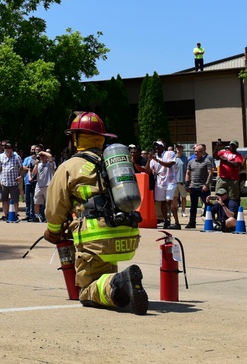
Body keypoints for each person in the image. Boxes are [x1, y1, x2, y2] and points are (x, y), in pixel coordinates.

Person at [44, 112, 146, 314]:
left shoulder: (70, 166)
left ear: (75, 138)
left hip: (96, 238)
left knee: (87, 290)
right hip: (127, 234)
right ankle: (118, 284)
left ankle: (120, 281)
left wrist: (53, 232)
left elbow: (54, 208)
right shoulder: (113, 163)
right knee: (103, 274)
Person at [148, 140, 178, 229]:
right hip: (160, 182)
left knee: (169, 200)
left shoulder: (170, 153)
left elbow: (169, 165)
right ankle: (166, 221)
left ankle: (177, 222)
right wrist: (149, 160)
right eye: (155, 147)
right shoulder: (153, 158)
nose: (157, 148)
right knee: (162, 202)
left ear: (163, 147)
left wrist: (156, 160)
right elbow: (148, 171)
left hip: (170, 181)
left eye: (159, 146)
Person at [184, 143, 215, 229]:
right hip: (193, 187)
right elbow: (187, 173)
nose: (196, 153)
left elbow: (210, 174)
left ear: (202, 152)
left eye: (198, 152)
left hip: (203, 187)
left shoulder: (207, 162)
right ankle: (192, 222)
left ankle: (208, 220)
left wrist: (206, 185)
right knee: (193, 206)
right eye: (195, 151)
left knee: (207, 204)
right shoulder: (191, 162)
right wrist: (187, 185)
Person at [0, 142, 24, 222]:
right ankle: (5, 215)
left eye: (9, 148)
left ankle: (15, 214)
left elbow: (21, 168)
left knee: (15, 199)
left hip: (13, 182)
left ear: (11, 149)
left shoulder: (16, 157)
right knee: (4, 199)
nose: (7, 149)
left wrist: (20, 176)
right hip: (4, 181)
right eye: (6, 148)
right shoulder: (1, 156)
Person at [31, 150, 55, 222]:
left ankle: (48, 217)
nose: (42, 157)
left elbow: (50, 156)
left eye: (43, 156)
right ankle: (37, 216)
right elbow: (34, 173)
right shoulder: (38, 164)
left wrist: (42, 152)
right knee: (36, 202)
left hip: (48, 185)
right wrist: (36, 164)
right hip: (39, 185)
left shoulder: (50, 163)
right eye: (41, 156)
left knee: (48, 203)